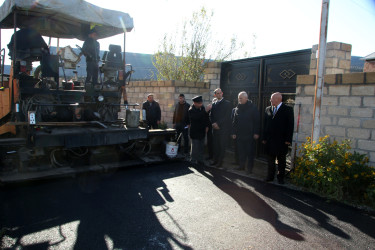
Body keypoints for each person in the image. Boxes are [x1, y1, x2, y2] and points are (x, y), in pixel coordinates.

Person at [262, 92, 294, 184]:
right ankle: (270, 176)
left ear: (278, 99)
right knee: (270, 160)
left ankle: (280, 178)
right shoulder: (268, 109)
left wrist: (288, 139)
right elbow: (265, 124)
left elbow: (290, 125)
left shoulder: (287, 109)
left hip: (282, 140)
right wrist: (264, 138)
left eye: (272, 99)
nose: (270, 100)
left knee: (281, 160)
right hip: (270, 140)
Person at [231, 91, 260, 174]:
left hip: (250, 135)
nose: (239, 100)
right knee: (241, 152)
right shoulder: (237, 108)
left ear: (246, 98)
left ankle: (249, 169)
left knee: (250, 153)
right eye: (238, 98)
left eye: (241, 98)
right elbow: (234, 121)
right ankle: (241, 166)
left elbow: (257, 121)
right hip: (240, 135)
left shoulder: (253, 108)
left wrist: (256, 133)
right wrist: (233, 132)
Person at [209, 88, 232, 168]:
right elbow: (211, 115)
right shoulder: (214, 104)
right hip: (215, 129)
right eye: (217, 93)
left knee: (222, 146)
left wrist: (218, 123)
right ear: (215, 95)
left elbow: (227, 116)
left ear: (222, 93)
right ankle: (215, 160)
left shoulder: (227, 103)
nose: (219, 94)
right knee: (215, 146)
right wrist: (213, 123)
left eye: (220, 93)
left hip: (223, 129)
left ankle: (220, 162)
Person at [188, 96, 209, 165]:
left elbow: (206, 117)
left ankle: (200, 160)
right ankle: (193, 160)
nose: (201, 104)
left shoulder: (202, 108)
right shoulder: (191, 110)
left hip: (202, 131)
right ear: (195, 103)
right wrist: (205, 111)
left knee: (201, 146)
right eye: (199, 103)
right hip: (195, 131)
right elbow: (196, 117)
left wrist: (207, 126)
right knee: (195, 147)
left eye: (201, 103)